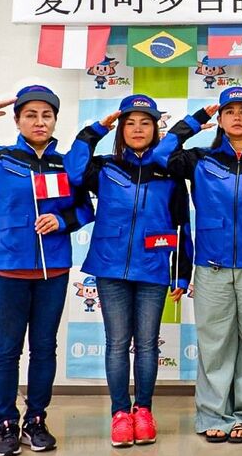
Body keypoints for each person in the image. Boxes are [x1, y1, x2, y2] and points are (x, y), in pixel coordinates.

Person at [0, 85, 93, 456]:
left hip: (52, 272)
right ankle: (6, 424)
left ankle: (36, 420)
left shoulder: (67, 163)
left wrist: (61, 219)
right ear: (19, 120)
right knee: (7, 350)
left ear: (55, 119)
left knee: (44, 349)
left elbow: (86, 209)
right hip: (7, 270)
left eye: (47, 115)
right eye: (31, 115)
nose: (40, 122)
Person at [153, 86, 242, 444]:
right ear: (220, 118)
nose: (236, 117)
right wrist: (194, 120)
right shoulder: (200, 160)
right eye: (228, 111)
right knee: (214, 344)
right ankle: (214, 414)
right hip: (211, 269)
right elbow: (160, 155)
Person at [64, 94, 195, 447]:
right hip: (109, 268)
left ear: (156, 129)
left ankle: (144, 412)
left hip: (153, 269)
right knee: (118, 344)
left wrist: (182, 274)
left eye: (146, 122)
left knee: (148, 345)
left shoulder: (169, 172)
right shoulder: (105, 167)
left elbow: (183, 226)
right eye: (130, 123)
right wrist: (95, 130)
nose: (138, 129)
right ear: (120, 129)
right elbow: (74, 171)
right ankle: (120, 414)